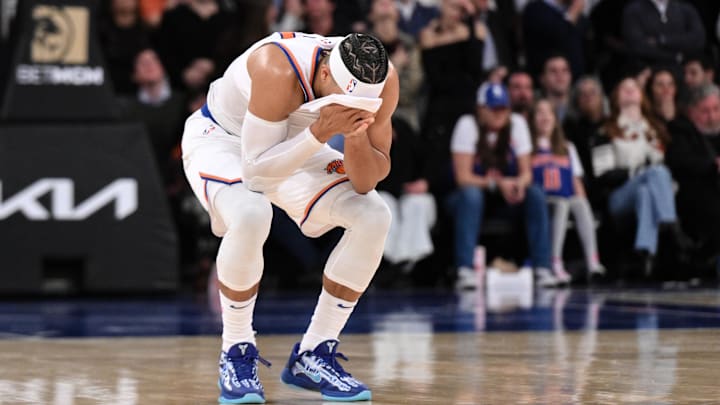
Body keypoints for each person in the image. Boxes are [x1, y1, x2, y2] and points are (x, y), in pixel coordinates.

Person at [181, 32, 399, 403]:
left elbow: (365, 182)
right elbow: (257, 175)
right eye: (351, 99)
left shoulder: (384, 79)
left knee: (374, 214)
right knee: (251, 212)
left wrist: (356, 135)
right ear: (327, 74)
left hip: (299, 142)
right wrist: (321, 131)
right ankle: (235, 350)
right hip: (224, 141)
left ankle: (313, 353)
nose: (357, 104)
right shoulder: (278, 65)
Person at [447, 83, 554, 289]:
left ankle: (542, 267)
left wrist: (519, 184)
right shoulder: (467, 125)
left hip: (507, 197)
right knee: (471, 195)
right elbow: (463, 177)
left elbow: (526, 173)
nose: (499, 114)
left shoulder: (517, 124)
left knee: (536, 193)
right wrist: (496, 183)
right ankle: (464, 269)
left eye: (503, 108)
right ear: (480, 109)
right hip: (470, 197)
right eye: (493, 108)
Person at [529, 99, 606, 284]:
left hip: (563, 197)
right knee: (562, 204)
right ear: (531, 120)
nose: (545, 117)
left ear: (556, 119)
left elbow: (576, 181)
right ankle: (555, 262)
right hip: (543, 200)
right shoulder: (529, 148)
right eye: (539, 112)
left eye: (549, 113)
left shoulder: (567, 148)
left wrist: (581, 202)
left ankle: (593, 262)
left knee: (580, 202)